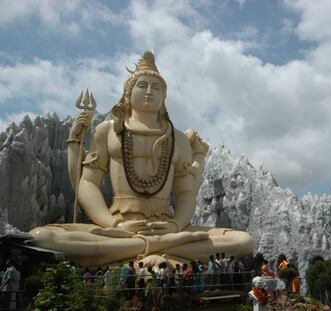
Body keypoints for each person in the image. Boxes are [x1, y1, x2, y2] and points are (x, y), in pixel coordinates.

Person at [29, 51, 253, 268]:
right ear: (128, 93)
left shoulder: (179, 139)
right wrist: (114, 224)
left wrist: (175, 226)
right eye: (142, 85)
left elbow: (185, 192)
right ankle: (157, 248)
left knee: (243, 241)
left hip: (166, 226)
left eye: (156, 87)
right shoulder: (107, 131)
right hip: (118, 227)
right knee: (42, 237)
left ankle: (135, 248)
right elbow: (87, 183)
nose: (149, 91)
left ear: (164, 98)